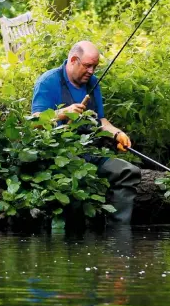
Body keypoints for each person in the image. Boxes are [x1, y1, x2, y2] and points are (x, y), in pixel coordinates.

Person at [31, 41, 141, 223]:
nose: (91, 71)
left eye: (95, 67)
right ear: (73, 60)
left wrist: (116, 133)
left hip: (90, 152)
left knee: (128, 171)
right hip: (59, 155)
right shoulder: (48, 81)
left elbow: (101, 121)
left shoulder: (92, 82)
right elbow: (33, 123)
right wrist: (61, 113)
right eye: (88, 66)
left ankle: (119, 233)